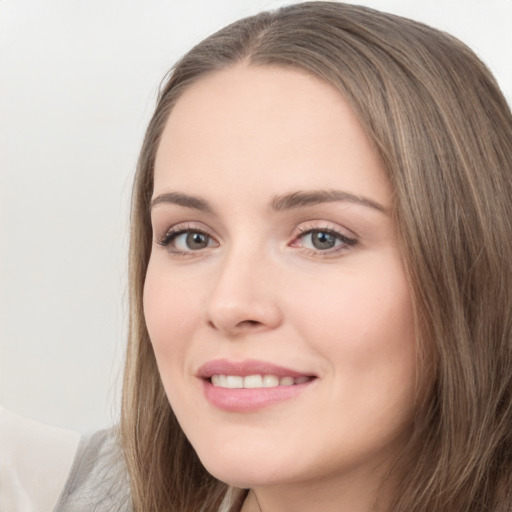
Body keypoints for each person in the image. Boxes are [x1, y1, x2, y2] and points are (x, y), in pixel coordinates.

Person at [54, 2, 512, 511]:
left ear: (473, 264)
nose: (229, 304)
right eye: (192, 238)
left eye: (322, 238)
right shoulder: (65, 489)